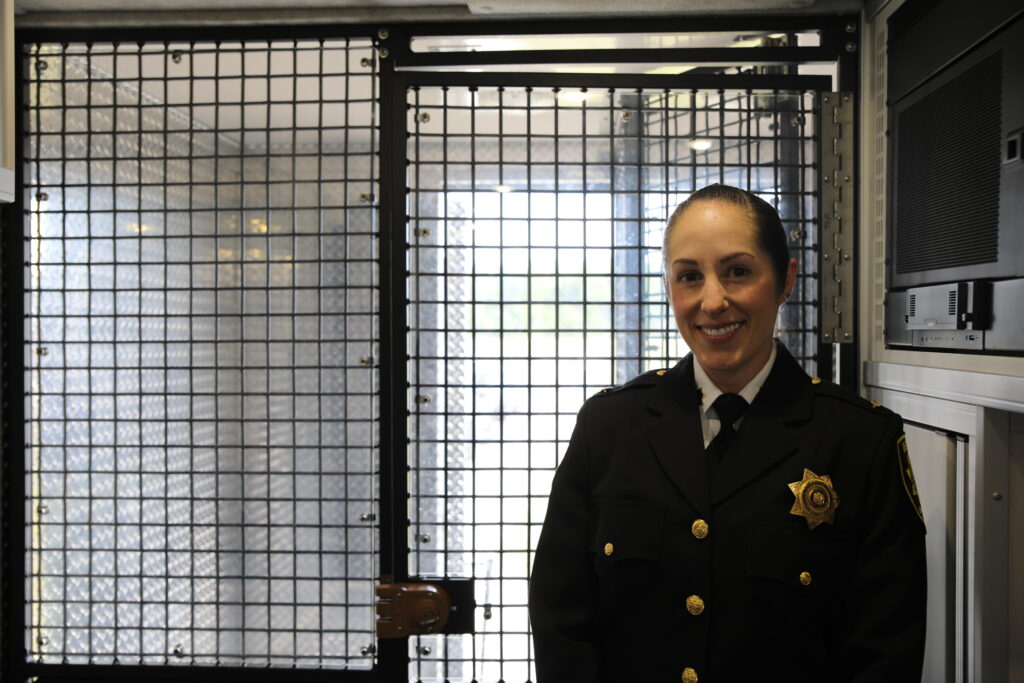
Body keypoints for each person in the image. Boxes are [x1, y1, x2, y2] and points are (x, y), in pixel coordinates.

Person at [528, 184, 926, 683]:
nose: (712, 301)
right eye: (689, 276)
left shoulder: (860, 440)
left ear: (786, 280)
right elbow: (561, 617)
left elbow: (886, 648)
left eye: (737, 271)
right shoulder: (609, 427)